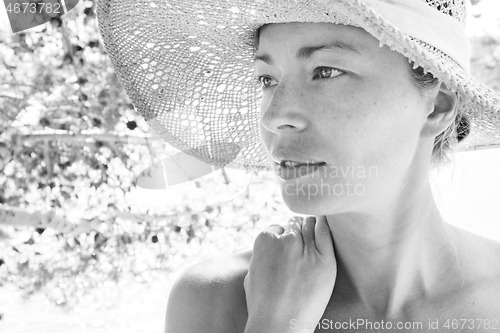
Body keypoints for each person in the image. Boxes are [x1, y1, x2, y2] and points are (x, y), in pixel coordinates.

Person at [96, 0, 500, 332]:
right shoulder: (215, 301)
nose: (275, 116)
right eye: (267, 79)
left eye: (326, 71)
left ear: (439, 105)